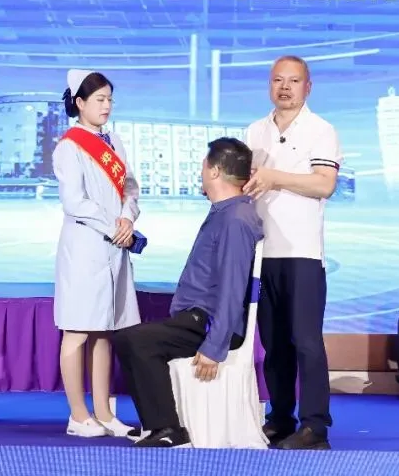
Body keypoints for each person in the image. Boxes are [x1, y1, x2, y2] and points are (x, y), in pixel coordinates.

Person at [111, 137, 263, 449]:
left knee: (138, 341)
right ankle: (156, 424)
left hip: (208, 323)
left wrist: (215, 346)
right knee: (129, 338)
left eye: (204, 165)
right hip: (197, 317)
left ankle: (167, 428)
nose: (201, 171)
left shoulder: (235, 219)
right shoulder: (225, 212)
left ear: (215, 171)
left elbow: (233, 288)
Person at [242, 55, 342, 450]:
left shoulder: (321, 130)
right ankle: (280, 419)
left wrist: (274, 177)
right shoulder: (254, 131)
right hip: (262, 253)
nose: (285, 88)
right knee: (274, 344)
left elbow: (324, 184)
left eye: (294, 81)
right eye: (278, 80)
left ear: (307, 87)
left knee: (306, 341)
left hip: (302, 253)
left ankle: (314, 426)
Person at [52, 69, 141, 438]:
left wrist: (127, 217)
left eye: (110, 99)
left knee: (105, 331)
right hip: (86, 246)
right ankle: (78, 415)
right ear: (80, 102)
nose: (107, 106)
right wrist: (113, 226)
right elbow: (74, 201)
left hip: (115, 246)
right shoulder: (68, 147)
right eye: (100, 99)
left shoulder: (114, 141)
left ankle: (104, 413)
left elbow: (130, 187)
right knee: (77, 330)